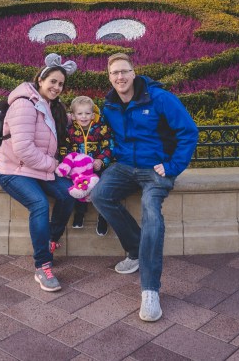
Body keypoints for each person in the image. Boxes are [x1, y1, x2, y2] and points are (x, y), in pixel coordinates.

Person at [91, 53, 199, 322]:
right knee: (100, 195)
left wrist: (173, 166)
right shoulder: (109, 105)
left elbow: (189, 132)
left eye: (124, 71)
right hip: (124, 166)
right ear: (109, 77)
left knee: (151, 211)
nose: (120, 77)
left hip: (155, 169)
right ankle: (136, 248)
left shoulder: (159, 98)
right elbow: (99, 133)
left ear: (134, 72)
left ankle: (150, 290)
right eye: (115, 73)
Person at [0, 53, 76, 292]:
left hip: (36, 168)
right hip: (14, 171)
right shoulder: (24, 104)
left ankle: (50, 240)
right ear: (40, 80)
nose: (57, 87)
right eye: (53, 81)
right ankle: (42, 266)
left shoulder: (48, 104)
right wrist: (53, 165)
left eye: (61, 84)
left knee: (69, 194)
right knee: (39, 204)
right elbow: (23, 149)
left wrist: (82, 117)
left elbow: (53, 122)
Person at [66, 96, 113, 235]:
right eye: (80, 113)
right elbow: (65, 149)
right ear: (73, 116)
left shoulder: (101, 129)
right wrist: (69, 164)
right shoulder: (70, 131)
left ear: (93, 115)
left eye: (87, 113)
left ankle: (103, 218)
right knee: (79, 186)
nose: (84, 116)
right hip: (79, 169)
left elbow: (109, 147)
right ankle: (80, 213)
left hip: (97, 167)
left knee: (102, 189)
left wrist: (101, 160)